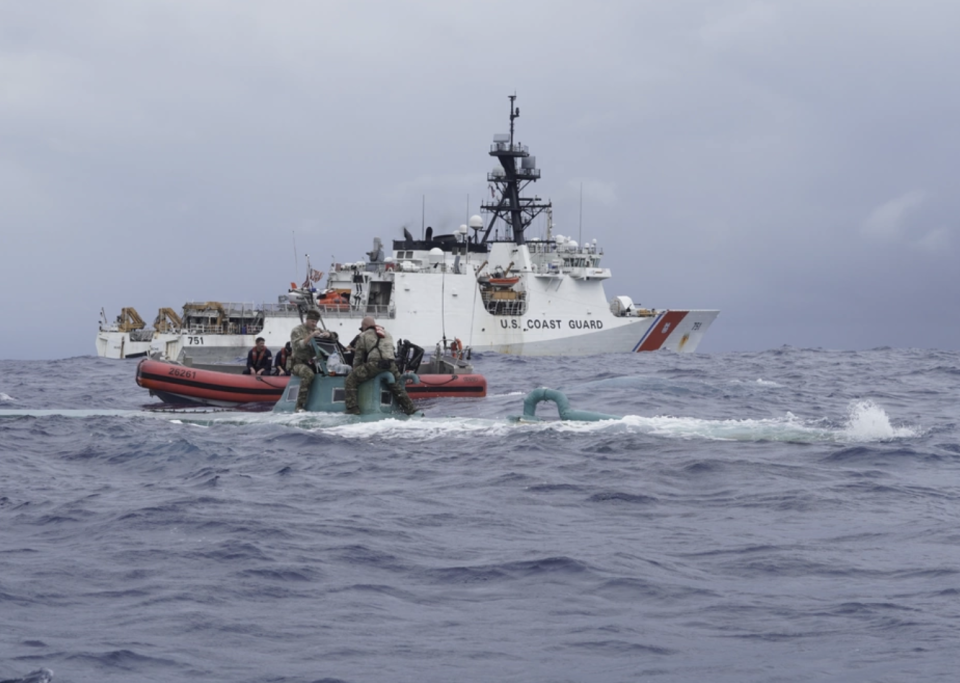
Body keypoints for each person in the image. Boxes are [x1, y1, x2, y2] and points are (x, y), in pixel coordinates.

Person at [344, 316, 417, 415]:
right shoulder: (387, 334)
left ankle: (353, 408)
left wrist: (355, 369)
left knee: (350, 379)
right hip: (391, 364)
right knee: (396, 385)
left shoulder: (364, 335)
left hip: (375, 364)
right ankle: (410, 408)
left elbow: (358, 356)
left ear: (364, 326)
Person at [289, 309, 336, 412]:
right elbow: (298, 346)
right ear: (307, 320)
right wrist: (311, 336)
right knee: (308, 374)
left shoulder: (317, 329)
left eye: (316, 322)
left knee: (331, 372)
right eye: (312, 321)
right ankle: (299, 406)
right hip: (299, 363)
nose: (314, 324)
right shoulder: (297, 330)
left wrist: (329, 335)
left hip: (315, 363)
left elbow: (335, 337)